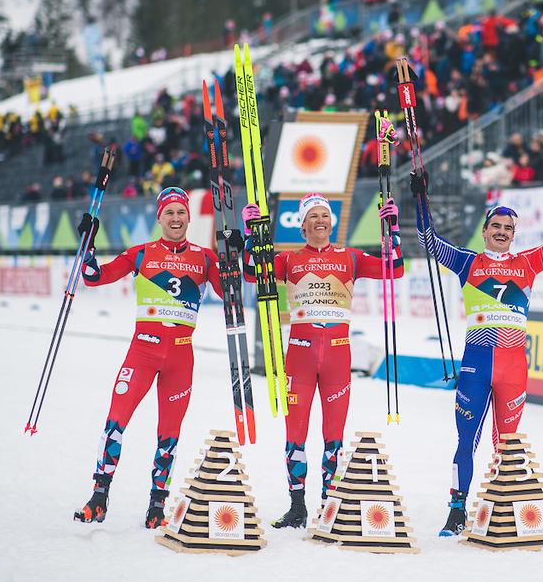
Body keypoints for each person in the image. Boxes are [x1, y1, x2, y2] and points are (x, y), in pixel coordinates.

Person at [410, 170, 543, 536]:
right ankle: (457, 511)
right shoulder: (468, 262)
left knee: (508, 445)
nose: (502, 231)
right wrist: (420, 199)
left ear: (514, 234)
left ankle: (500, 510)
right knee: (465, 441)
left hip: (514, 368)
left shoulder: (529, 263)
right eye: (496, 226)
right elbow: (428, 240)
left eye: (508, 227)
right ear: (485, 230)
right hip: (476, 365)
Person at [240, 193, 403, 529]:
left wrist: (392, 232)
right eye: (312, 216)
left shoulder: (350, 257)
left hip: (338, 356)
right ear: (302, 225)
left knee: (334, 434)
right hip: (299, 355)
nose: (320, 221)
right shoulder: (288, 259)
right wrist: (250, 235)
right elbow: (252, 274)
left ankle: (329, 505)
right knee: (295, 433)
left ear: (331, 221)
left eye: (324, 216)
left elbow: (394, 269)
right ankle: (297, 506)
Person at [74, 188, 223, 528]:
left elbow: (229, 290)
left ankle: (157, 506)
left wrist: (234, 254)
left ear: (188, 217)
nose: (175, 218)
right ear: (159, 217)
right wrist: (88, 247)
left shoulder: (204, 257)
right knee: (115, 423)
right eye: (169, 212)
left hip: (181, 357)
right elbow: (95, 277)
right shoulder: (141, 254)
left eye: (180, 213)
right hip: (142, 351)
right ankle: (99, 497)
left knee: (169, 434)